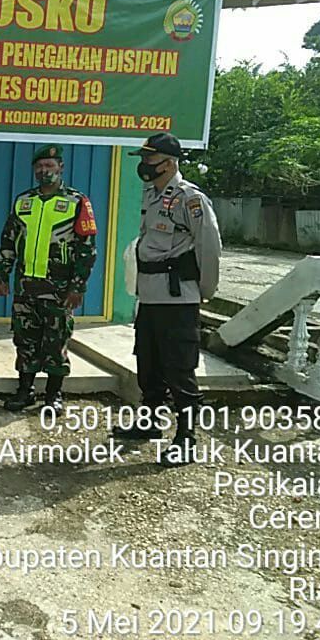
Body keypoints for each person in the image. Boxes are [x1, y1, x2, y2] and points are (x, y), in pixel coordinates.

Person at [111, 132, 221, 466]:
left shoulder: (190, 199)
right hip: (151, 296)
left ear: (169, 163)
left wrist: (202, 292)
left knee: (179, 369)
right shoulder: (151, 192)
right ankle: (149, 424)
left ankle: (186, 439)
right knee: (148, 363)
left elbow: (209, 248)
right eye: (143, 159)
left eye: (150, 159)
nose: (144, 165)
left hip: (178, 298)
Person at [0, 144, 97, 414]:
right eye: (39, 167)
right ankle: (25, 391)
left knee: (56, 340)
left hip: (59, 288)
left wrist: (78, 286)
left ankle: (53, 396)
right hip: (26, 285)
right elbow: (8, 239)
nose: (44, 171)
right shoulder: (23, 201)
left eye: (50, 166)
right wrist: (3, 274)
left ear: (61, 168)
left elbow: (87, 248)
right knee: (24, 339)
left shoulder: (77, 202)